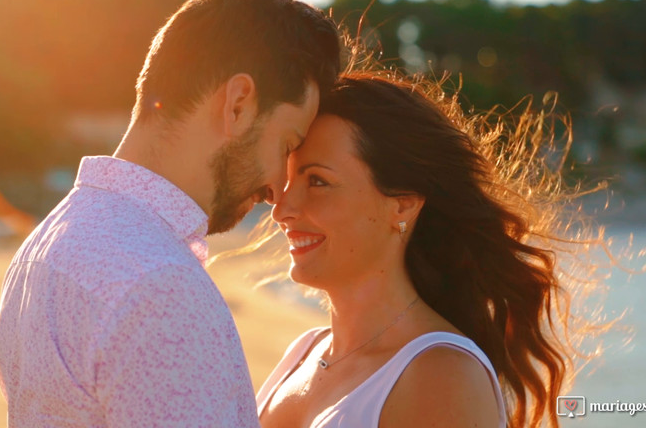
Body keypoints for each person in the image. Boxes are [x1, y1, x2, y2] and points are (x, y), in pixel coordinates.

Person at [0, 0, 341, 427]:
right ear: (238, 104)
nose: (279, 186)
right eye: (287, 145)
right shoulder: (160, 287)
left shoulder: (45, 246)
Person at [257, 72, 608, 428]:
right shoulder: (303, 353)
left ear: (403, 204)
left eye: (317, 181)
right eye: (286, 182)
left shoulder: (443, 375)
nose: (282, 208)